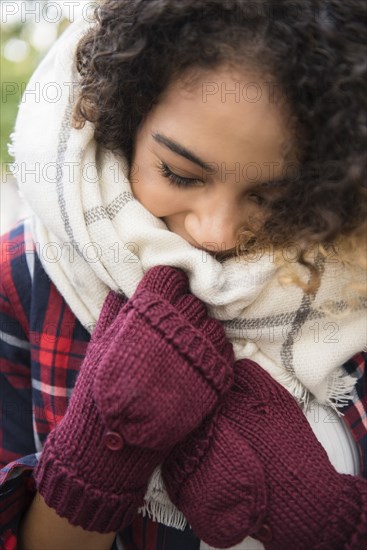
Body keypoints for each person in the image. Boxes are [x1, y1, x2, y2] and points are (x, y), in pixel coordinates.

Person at [1, 1, 366, 549]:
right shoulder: (25, 277)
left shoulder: (353, 279)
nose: (215, 233)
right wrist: (99, 457)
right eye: (179, 173)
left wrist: (332, 524)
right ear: (122, 118)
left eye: (269, 197)